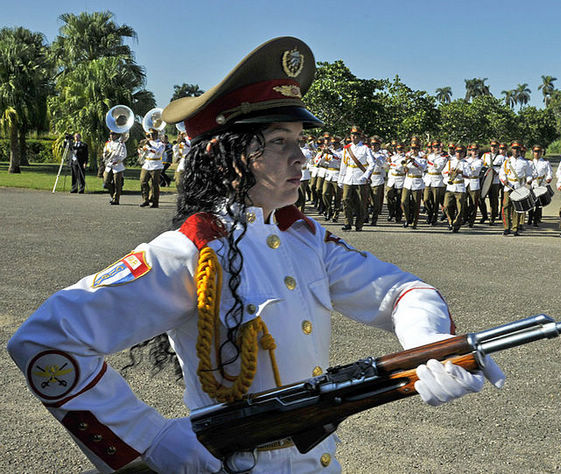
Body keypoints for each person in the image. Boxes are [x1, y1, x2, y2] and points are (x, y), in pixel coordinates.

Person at [7, 37, 504, 474]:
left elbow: (404, 292)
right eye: (279, 142)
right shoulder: (190, 251)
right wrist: (154, 442)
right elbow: (47, 339)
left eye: (300, 141)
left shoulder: (305, 238)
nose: (301, 158)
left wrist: (431, 343)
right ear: (226, 157)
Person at [338, 125, 375, 231]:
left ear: (360, 137)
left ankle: (359, 224)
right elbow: (343, 164)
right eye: (353, 135)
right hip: (348, 178)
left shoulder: (365, 149)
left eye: (357, 135)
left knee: (360, 203)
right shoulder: (347, 149)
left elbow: (372, 164)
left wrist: (365, 176)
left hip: (360, 179)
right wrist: (341, 179)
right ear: (350, 136)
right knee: (346, 200)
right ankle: (347, 222)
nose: (355, 137)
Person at [499, 142, 532, 236]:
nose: (515, 150)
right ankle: (506, 227)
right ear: (511, 149)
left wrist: (529, 180)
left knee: (516, 208)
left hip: (519, 186)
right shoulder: (507, 161)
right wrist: (504, 180)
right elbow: (502, 173)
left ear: (520, 150)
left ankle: (515, 227)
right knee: (505, 206)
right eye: (514, 148)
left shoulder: (525, 162)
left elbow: (529, 174)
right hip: (508, 186)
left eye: (517, 149)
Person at [401, 138, 427, 229]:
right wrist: (405, 167)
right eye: (412, 148)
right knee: (404, 201)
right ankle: (408, 219)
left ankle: (414, 223)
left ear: (418, 149)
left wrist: (414, 162)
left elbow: (422, 168)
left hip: (417, 182)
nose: (413, 150)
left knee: (416, 204)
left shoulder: (422, 159)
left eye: (415, 148)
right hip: (407, 181)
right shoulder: (407, 157)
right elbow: (404, 168)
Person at [442, 144, 468, 232]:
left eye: (461, 152)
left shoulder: (466, 163)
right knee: (446, 206)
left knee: (460, 208)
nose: (458, 154)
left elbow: (470, 175)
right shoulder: (450, 162)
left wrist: (461, 172)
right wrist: (449, 172)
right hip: (450, 187)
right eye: (457, 152)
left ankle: (456, 225)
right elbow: (443, 172)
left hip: (460, 187)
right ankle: (450, 221)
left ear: (464, 153)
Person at [527, 145, 552, 227]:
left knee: (538, 203)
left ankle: (536, 220)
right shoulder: (529, 162)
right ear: (532, 152)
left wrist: (549, 178)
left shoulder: (545, 162)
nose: (537, 153)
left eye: (539, 151)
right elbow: (527, 173)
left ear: (541, 153)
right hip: (532, 183)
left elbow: (549, 173)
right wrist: (528, 179)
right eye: (535, 151)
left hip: (541, 183)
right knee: (530, 202)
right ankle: (530, 218)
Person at [139, 129, 165, 208]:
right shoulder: (147, 143)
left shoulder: (160, 144)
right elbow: (142, 153)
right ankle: (145, 200)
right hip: (147, 164)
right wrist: (141, 148)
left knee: (154, 184)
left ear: (157, 134)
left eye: (153, 134)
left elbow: (158, 153)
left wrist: (149, 147)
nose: (151, 136)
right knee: (143, 181)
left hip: (156, 165)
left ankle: (155, 202)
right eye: (150, 134)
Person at [102, 131, 127, 205]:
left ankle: (116, 199)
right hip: (109, 165)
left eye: (113, 134)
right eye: (110, 134)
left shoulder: (121, 144)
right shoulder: (108, 144)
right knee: (106, 181)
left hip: (117, 166)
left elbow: (124, 154)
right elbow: (104, 153)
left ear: (116, 135)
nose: (112, 136)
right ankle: (112, 195)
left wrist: (118, 160)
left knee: (117, 183)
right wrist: (105, 155)